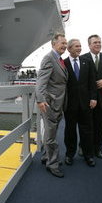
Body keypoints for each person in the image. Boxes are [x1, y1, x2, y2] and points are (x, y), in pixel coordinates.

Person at [35, 33, 68, 178]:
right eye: (62, 43)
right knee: (51, 136)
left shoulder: (59, 59)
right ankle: (52, 164)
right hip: (50, 103)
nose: (65, 46)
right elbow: (41, 82)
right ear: (53, 44)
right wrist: (40, 100)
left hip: (58, 102)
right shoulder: (49, 58)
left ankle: (45, 157)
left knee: (50, 133)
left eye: (66, 43)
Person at [63, 39, 97, 167]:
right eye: (76, 46)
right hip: (70, 105)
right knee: (70, 131)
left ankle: (89, 155)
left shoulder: (87, 61)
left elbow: (92, 81)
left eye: (80, 46)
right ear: (69, 49)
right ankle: (69, 154)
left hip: (86, 103)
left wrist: (93, 98)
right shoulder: (63, 63)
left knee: (87, 130)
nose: (79, 48)